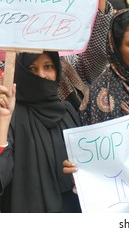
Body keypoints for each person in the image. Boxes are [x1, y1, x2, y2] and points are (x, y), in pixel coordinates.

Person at [0, 51, 81, 212]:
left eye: (48, 66)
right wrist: (3, 122)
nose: (41, 75)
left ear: (58, 69)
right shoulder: (10, 114)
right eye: (32, 69)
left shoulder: (68, 111)